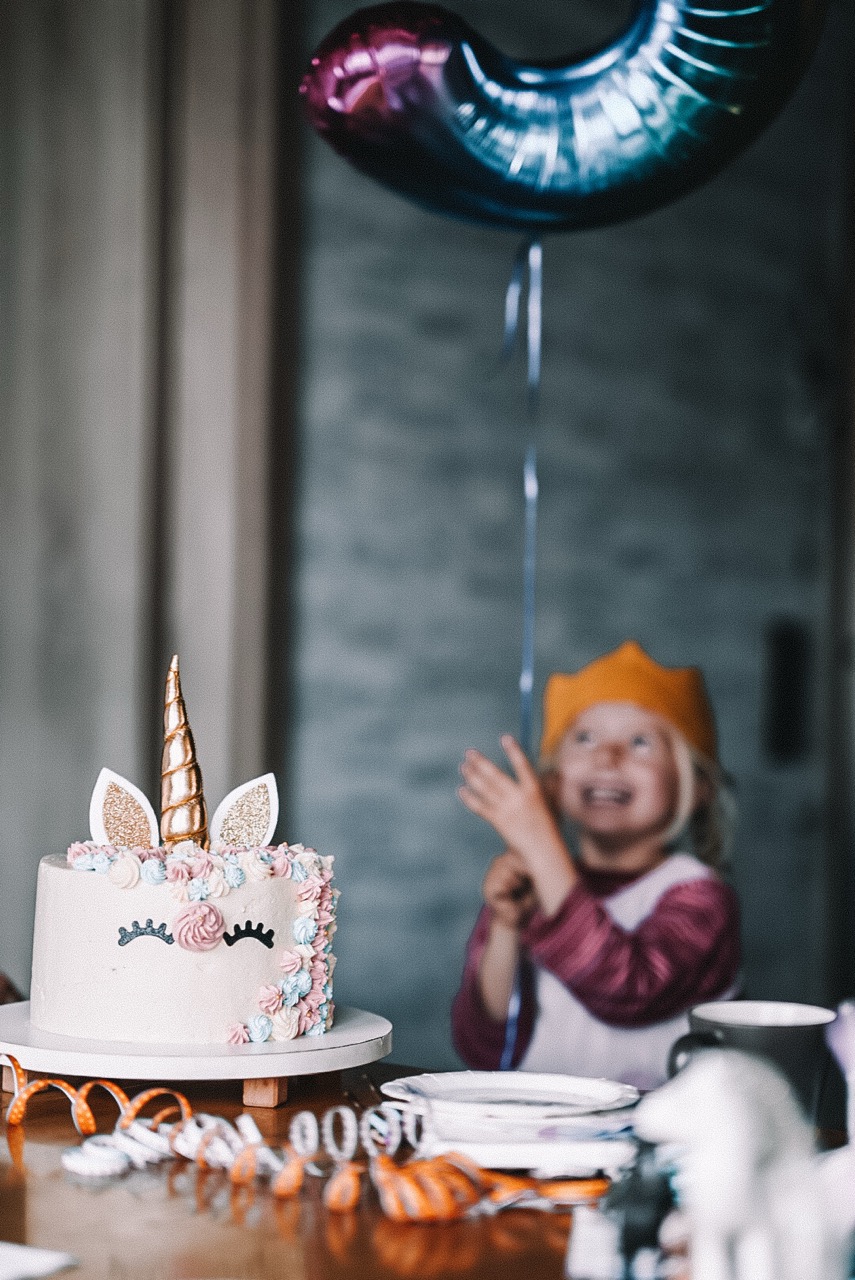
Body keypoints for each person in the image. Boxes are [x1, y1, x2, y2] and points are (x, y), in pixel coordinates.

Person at [451, 640, 741, 1089]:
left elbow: (629, 991)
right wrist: (506, 927)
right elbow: (482, 1046)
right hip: (537, 1137)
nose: (607, 757)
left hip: (655, 1145)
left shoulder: (702, 896)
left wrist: (542, 847)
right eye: (585, 738)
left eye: (640, 742)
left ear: (697, 784)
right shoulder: (533, 884)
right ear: (552, 780)